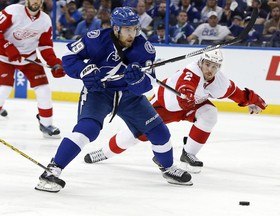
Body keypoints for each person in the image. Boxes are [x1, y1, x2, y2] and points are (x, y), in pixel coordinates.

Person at [35, 6, 192, 193]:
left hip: (129, 96)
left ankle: (167, 168)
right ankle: (52, 170)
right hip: (98, 92)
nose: (132, 33)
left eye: (134, 29)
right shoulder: (95, 39)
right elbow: (69, 57)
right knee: (88, 130)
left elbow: (147, 85)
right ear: (116, 28)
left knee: (160, 133)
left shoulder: (145, 49)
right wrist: (84, 71)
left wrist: (137, 80)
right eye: (127, 29)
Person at [84, 49, 267, 174]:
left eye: (214, 66)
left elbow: (237, 94)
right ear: (201, 61)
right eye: (208, 64)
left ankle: (188, 154)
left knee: (210, 114)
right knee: (134, 136)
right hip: (165, 107)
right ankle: (105, 152)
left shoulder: (219, 81)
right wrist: (185, 95)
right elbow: (185, 86)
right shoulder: (190, 72)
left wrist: (255, 102)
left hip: (191, 106)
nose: (210, 70)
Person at [0, 0, 65, 138]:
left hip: (29, 58)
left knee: (44, 90)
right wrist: (7, 48)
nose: (35, 1)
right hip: (4, 58)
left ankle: (46, 125)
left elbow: (45, 45)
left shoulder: (45, 20)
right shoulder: (13, 11)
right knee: (3, 89)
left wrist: (54, 63)